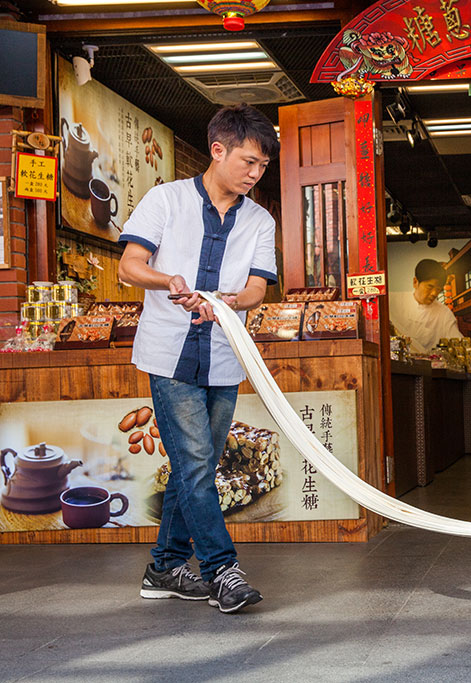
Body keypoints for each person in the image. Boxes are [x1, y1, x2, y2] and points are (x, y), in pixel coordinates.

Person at [117, 104, 278, 613]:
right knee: (196, 464)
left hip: (225, 356)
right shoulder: (165, 200)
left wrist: (227, 302)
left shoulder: (260, 220)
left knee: (195, 468)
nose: (255, 174)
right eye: (248, 162)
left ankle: (163, 568)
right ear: (218, 150)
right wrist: (169, 281)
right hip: (168, 353)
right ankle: (221, 571)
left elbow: (256, 290)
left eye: (262, 167)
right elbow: (129, 265)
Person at [389, 258, 463, 353]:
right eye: (430, 287)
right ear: (415, 282)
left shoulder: (444, 313)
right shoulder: (392, 301)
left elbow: (457, 342)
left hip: (428, 366)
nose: (434, 293)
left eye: (438, 289)